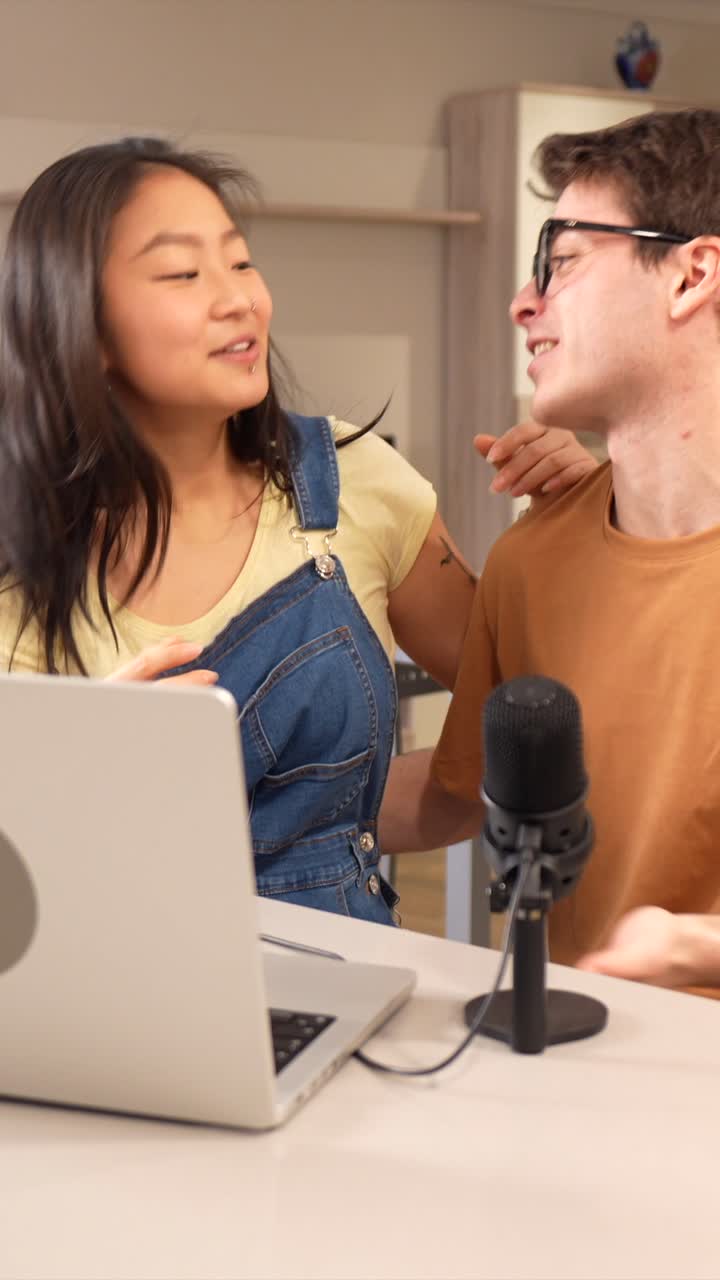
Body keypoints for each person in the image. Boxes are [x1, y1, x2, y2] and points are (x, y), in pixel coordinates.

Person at [0, 136, 595, 926]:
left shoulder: (357, 485)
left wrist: (585, 521)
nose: (241, 299)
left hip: (347, 989)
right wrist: (83, 781)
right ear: (83, 326)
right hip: (117, 999)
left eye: (241, 262)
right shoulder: (19, 563)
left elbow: (529, 710)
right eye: (183, 273)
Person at [380, 108, 720, 991]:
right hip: (572, 1070)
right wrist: (199, 799)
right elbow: (460, 790)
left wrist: (699, 950)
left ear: (693, 276)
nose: (524, 302)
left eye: (561, 263)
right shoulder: (533, 562)